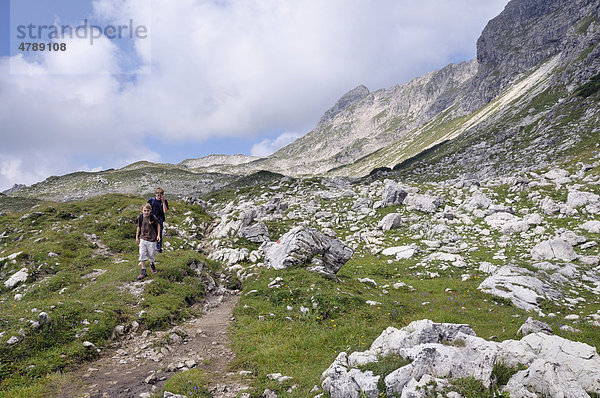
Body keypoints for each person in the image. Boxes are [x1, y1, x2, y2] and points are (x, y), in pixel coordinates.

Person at [135, 203, 161, 279]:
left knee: (151, 254)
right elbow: (139, 227)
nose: (146, 212)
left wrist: (158, 235)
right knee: (142, 253)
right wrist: (137, 237)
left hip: (152, 239)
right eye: (144, 210)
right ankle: (143, 270)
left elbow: (158, 225)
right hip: (143, 238)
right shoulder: (140, 217)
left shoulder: (153, 217)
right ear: (142, 210)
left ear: (150, 211)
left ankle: (152, 264)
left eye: (148, 210)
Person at [148, 187, 169, 252]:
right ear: (155, 194)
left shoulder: (164, 201)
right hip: (152, 219)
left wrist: (163, 202)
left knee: (159, 234)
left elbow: (165, 211)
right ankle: (150, 247)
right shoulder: (151, 200)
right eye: (158, 195)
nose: (159, 197)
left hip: (160, 220)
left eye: (161, 195)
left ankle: (158, 248)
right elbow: (147, 208)